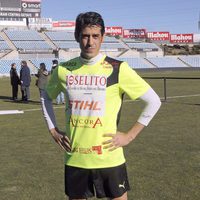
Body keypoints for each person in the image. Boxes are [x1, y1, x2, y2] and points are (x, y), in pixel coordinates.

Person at [41, 12, 161, 200]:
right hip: (76, 158)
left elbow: (154, 101)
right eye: (85, 36)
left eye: (95, 36)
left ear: (102, 37)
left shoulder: (118, 68)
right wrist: (53, 130)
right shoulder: (63, 70)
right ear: (77, 37)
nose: (90, 42)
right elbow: (46, 97)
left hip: (110, 157)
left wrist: (129, 136)